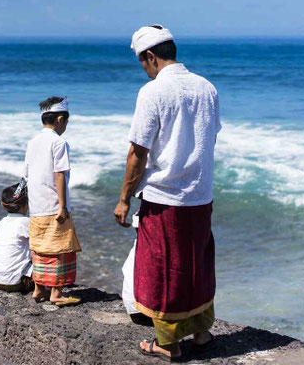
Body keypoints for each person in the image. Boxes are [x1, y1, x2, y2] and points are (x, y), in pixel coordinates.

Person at [114, 25, 221, 361]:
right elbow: (209, 136)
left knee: (162, 269)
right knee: (196, 264)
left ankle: (167, 344)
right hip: (200, 194)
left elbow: (138, 151)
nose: (144, 69)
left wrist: (123, 198)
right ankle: (202, 333)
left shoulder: (153, 92)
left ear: (150, 57)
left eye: (142, 62)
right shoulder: (207, 88)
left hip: (165, 197)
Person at [24, 97, 82, 307]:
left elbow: (27, 174)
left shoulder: (33, 142)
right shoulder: (58, 142)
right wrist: (63, 206)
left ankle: (39, 290)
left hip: (36, 204)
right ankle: (56, 293)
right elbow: (59, 174)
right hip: (53, 205)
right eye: (65, 122)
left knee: (39, 248)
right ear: (60, 119)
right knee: (60, 249)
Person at [0, 181, 34, 292]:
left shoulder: (2, 222)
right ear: (26, 204)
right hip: (14, 283)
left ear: (3, 205)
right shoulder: (26, 222)